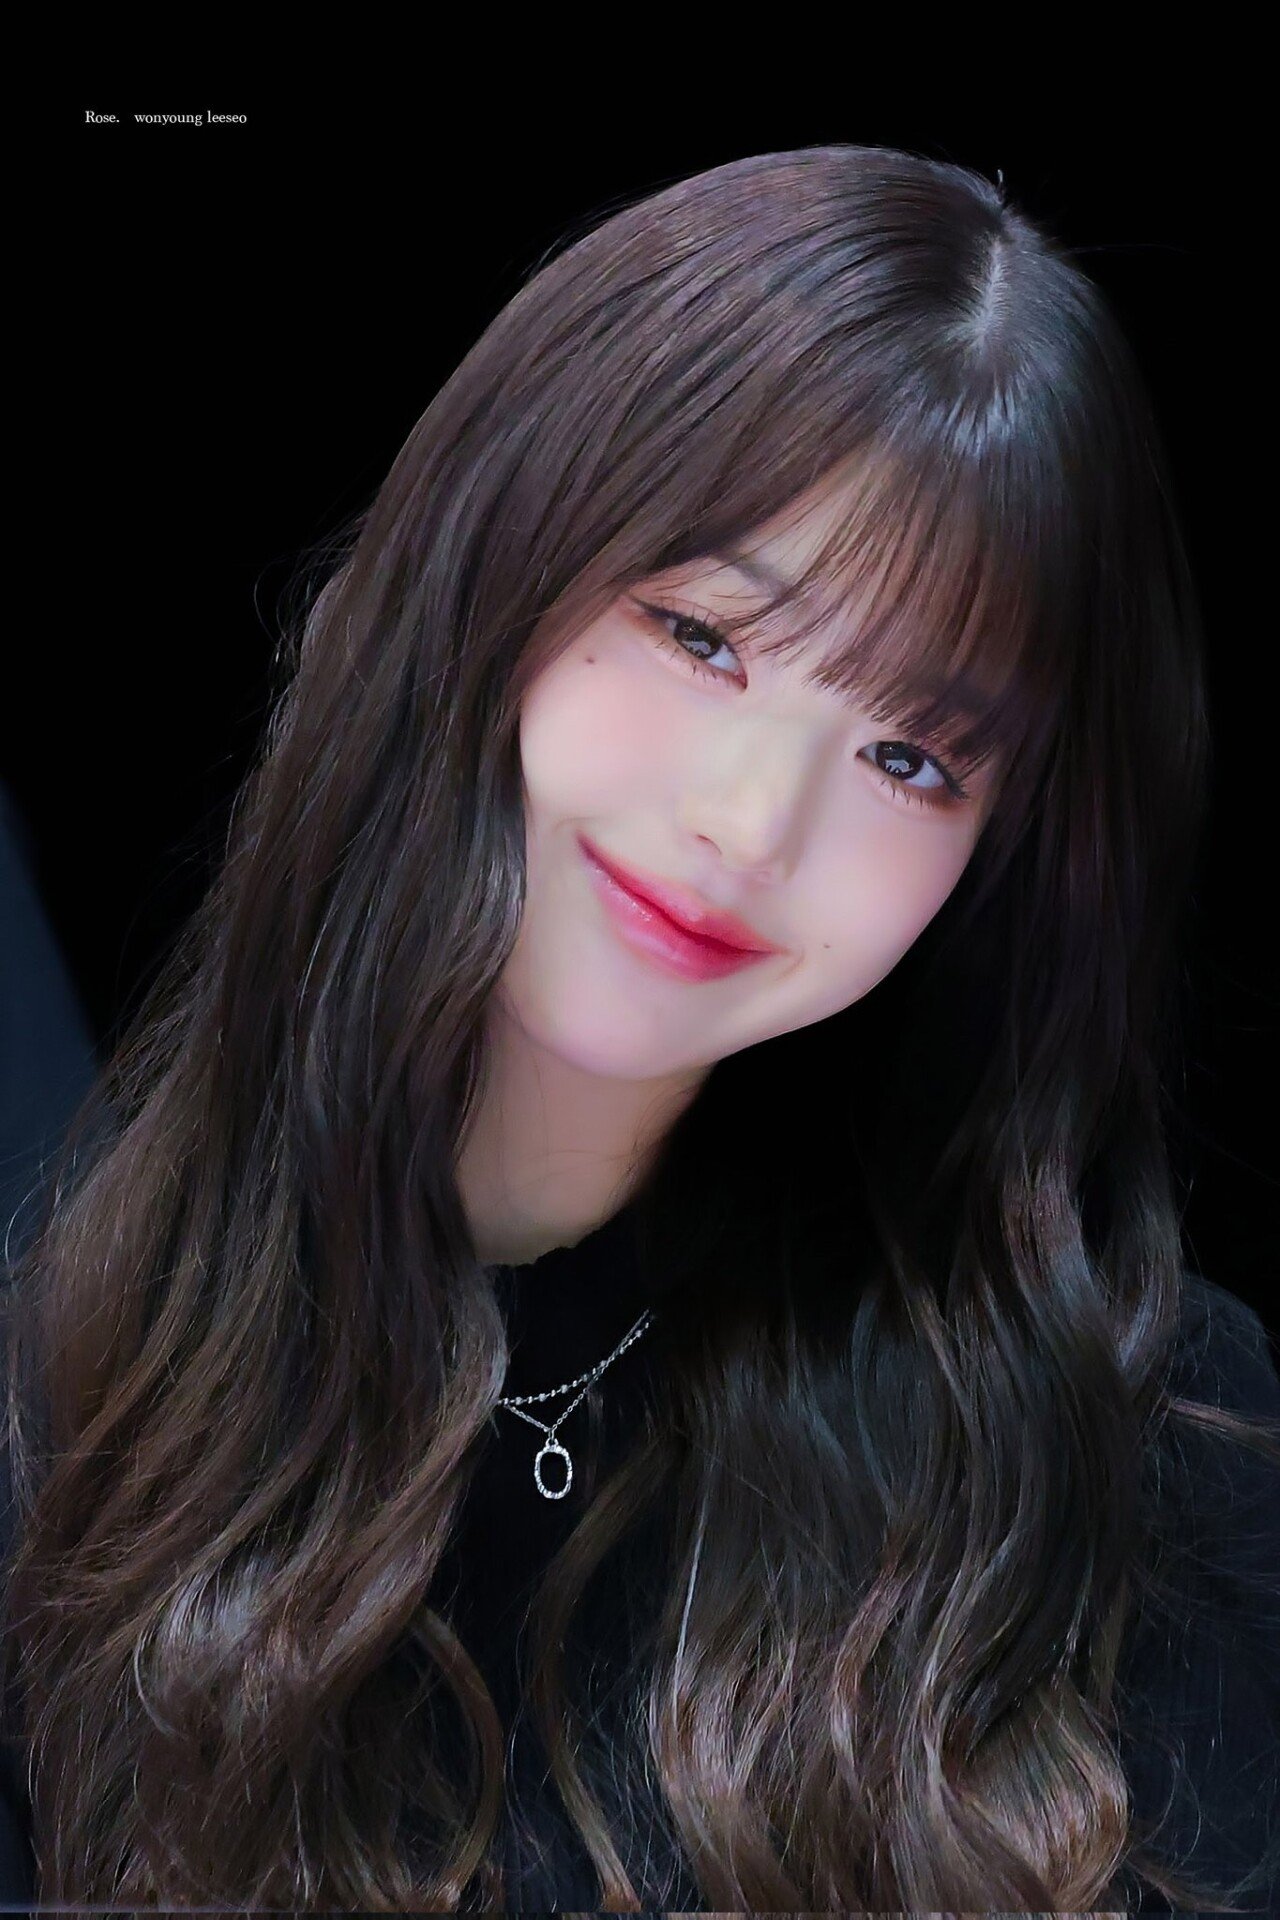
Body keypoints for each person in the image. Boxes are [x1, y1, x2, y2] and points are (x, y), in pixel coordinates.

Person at [2, 143, 1277, 1913]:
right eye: (701, 634)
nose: (751, 824)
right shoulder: (65, 1413)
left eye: (909, 756)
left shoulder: (1145, 1452)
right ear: (489, 571)